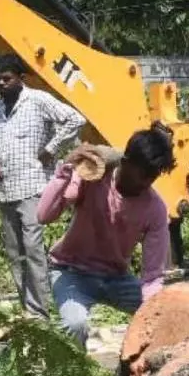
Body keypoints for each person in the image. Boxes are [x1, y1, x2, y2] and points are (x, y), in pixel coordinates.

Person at [37, 125, 175, 346]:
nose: (146, 183)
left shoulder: (155, 209)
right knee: (75, 325)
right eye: (143, 174)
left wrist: (152, 314)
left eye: (153, 177)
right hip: (71, 273)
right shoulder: (93, 178)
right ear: (126, 162)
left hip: (116, 278)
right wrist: (65, 171)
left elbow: (151, 278)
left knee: (164, 318)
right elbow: (44, 215)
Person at [0, 53, 86, 319]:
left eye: (7, 79)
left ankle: (40, 314)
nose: (1, 84)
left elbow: (75, 119)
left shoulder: (38, 100)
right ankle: (27, 310)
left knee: (34, 251)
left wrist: (51, 149)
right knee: (15, 255)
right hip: (5, 191)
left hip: (34, 187)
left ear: (20, 78)